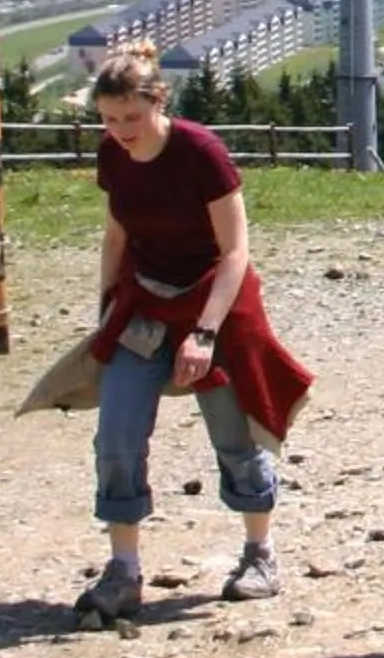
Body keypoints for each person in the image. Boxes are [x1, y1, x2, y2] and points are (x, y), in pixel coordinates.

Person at [68, 41, 311, 623]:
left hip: (215, 300)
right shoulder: (113, 155)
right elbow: (116, 234)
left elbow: (234, 252)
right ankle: (123, 570)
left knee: (233, 431)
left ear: (158, 103)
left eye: (131, 117)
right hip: (145, 301)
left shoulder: (201, 151)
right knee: (117, 434)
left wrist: (204, 334)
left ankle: (260, 553)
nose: (121, 130)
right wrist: (105, 308)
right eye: (109, 119)